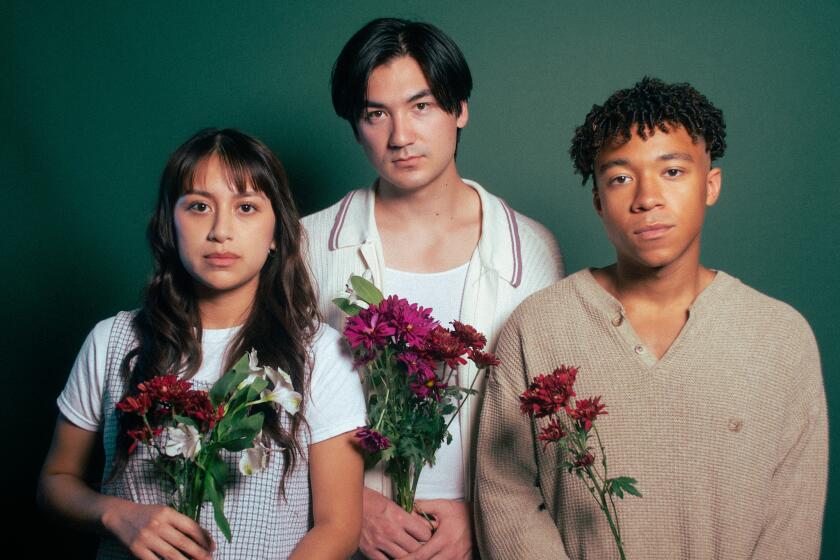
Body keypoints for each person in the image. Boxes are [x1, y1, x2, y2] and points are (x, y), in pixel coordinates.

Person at [475, 77, 827, 559]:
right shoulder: (537, 327)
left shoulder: (780, 338)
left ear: (711, 184)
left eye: (673, 172)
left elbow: (793, 516)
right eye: (620, 177)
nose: (647, 198)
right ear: (598, 200)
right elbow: (504, 491)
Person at [37, 128, 366, 559]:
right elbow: (55, 481)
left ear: (275, 234)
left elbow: (338, 526)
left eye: (246, 207)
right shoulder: (112, 340)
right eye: (198, 206)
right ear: (170, 224)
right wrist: (115, 514)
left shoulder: (322, 354)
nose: (220, 230)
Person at [303, 17, 563, 560]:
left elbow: (543, 420)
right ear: (356, 126)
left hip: (485, 541)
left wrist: (485, 515)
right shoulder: (307, 245)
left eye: (421, 107)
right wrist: (352, 507)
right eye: (377, 114)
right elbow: (277, 408)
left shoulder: (531, 251)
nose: (401, 136)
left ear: (459, 109)